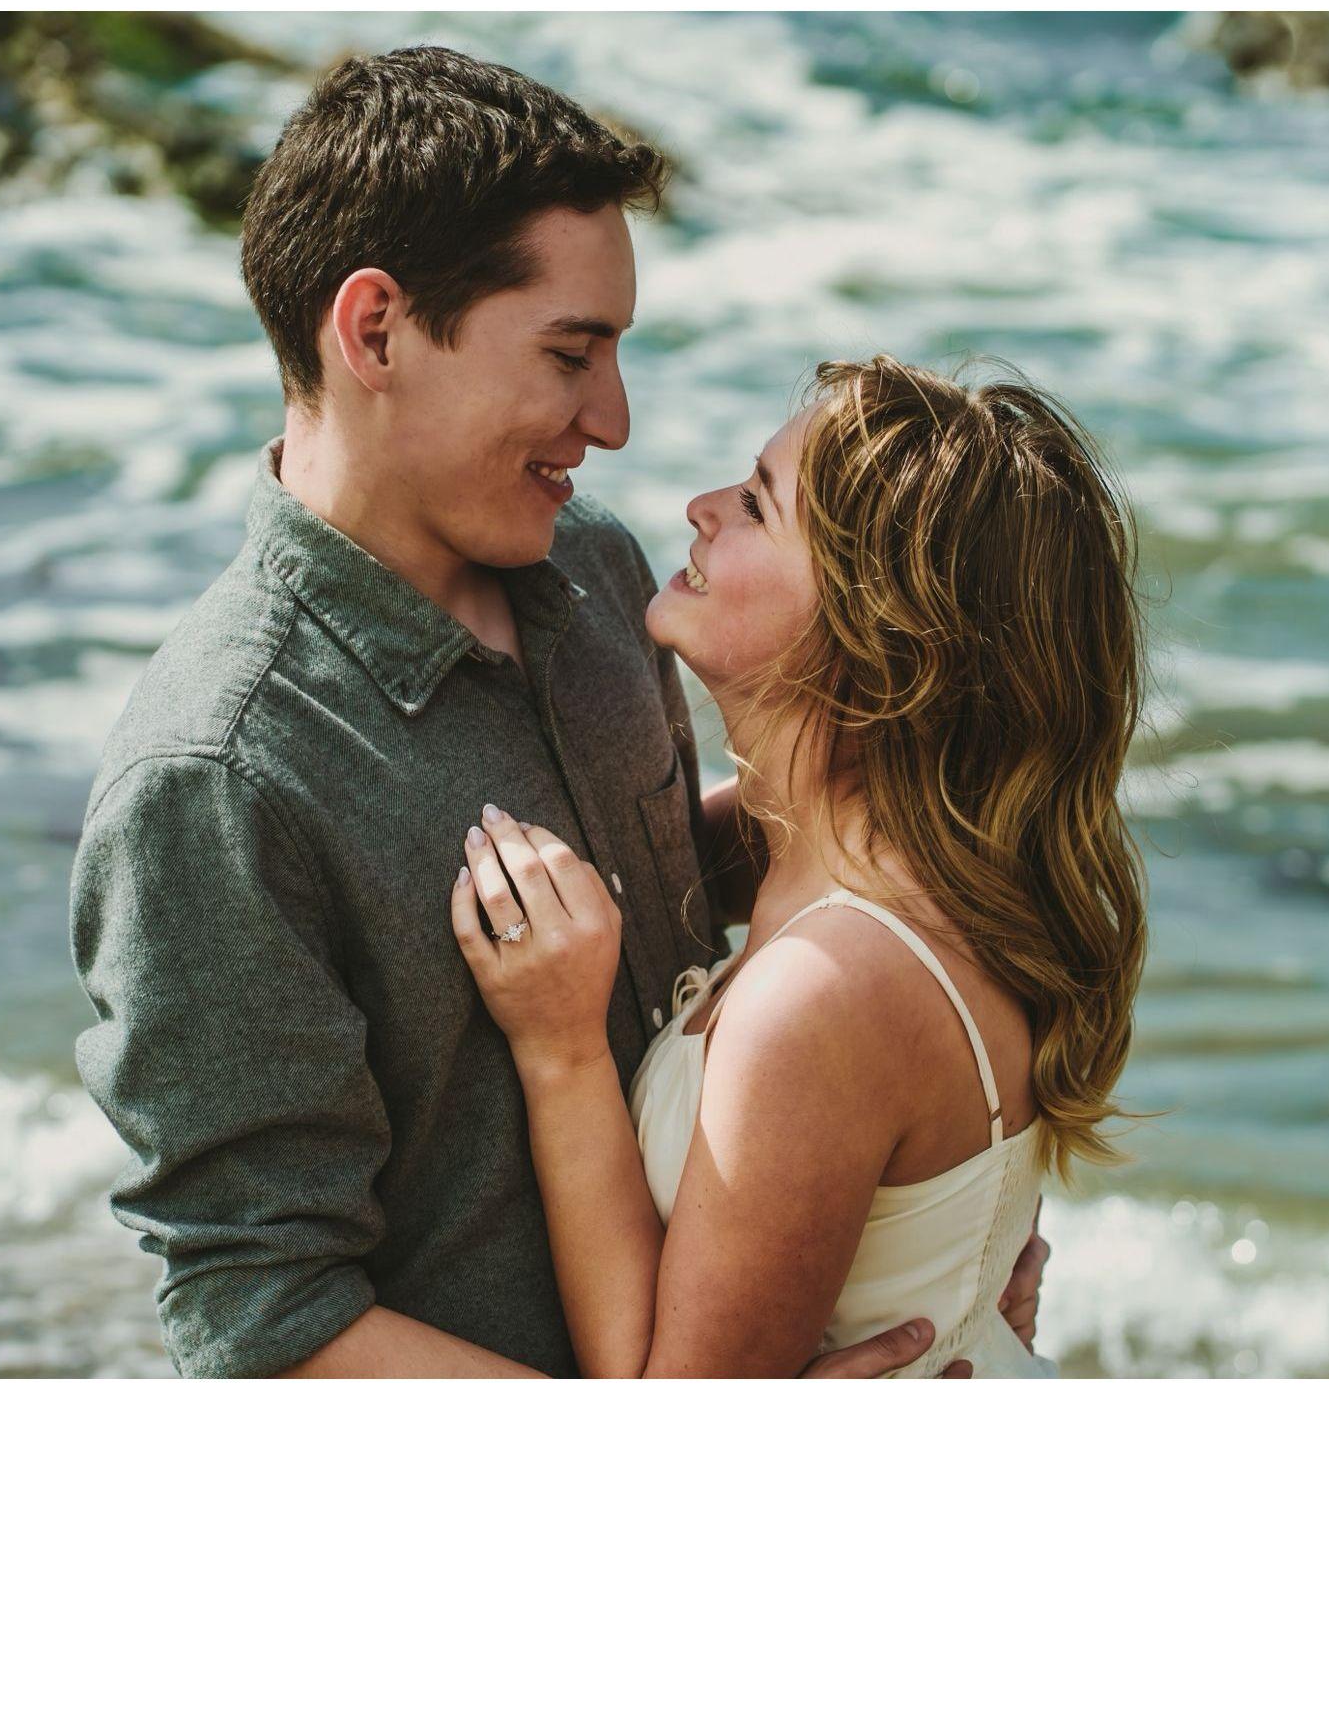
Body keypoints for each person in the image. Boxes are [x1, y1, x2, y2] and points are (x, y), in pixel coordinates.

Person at [69, 45, 1050, 1377]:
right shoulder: (217, 778)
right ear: (374, 332)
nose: (616, 419)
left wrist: (941, 1234)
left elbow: (675, 895)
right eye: (571, 353)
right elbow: (263, 1324)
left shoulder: (595, 573)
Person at [449, 354, 1148, 1376]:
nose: (700, 508)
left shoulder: (824, 991)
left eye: (755, 505)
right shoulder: (914, 861)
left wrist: (562, 1051)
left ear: (874, 641)